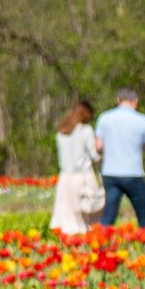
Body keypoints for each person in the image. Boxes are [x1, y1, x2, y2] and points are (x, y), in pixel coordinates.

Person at [94, 88, 145, 229]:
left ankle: (100, 246)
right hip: (133, 173)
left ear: (118, 100)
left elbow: (98, 147)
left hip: (110, 173)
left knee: (109, 216)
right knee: (144, 216)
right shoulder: (143, 120)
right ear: (135, 101)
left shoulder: (104, 118)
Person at [49, 100, 100, 236]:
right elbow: (94, 155)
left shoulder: (62, 132)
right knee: (87, 211)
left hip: (65, 177)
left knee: (67, 213)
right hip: (83, 176)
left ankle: (69, 241)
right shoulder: (86, 130)